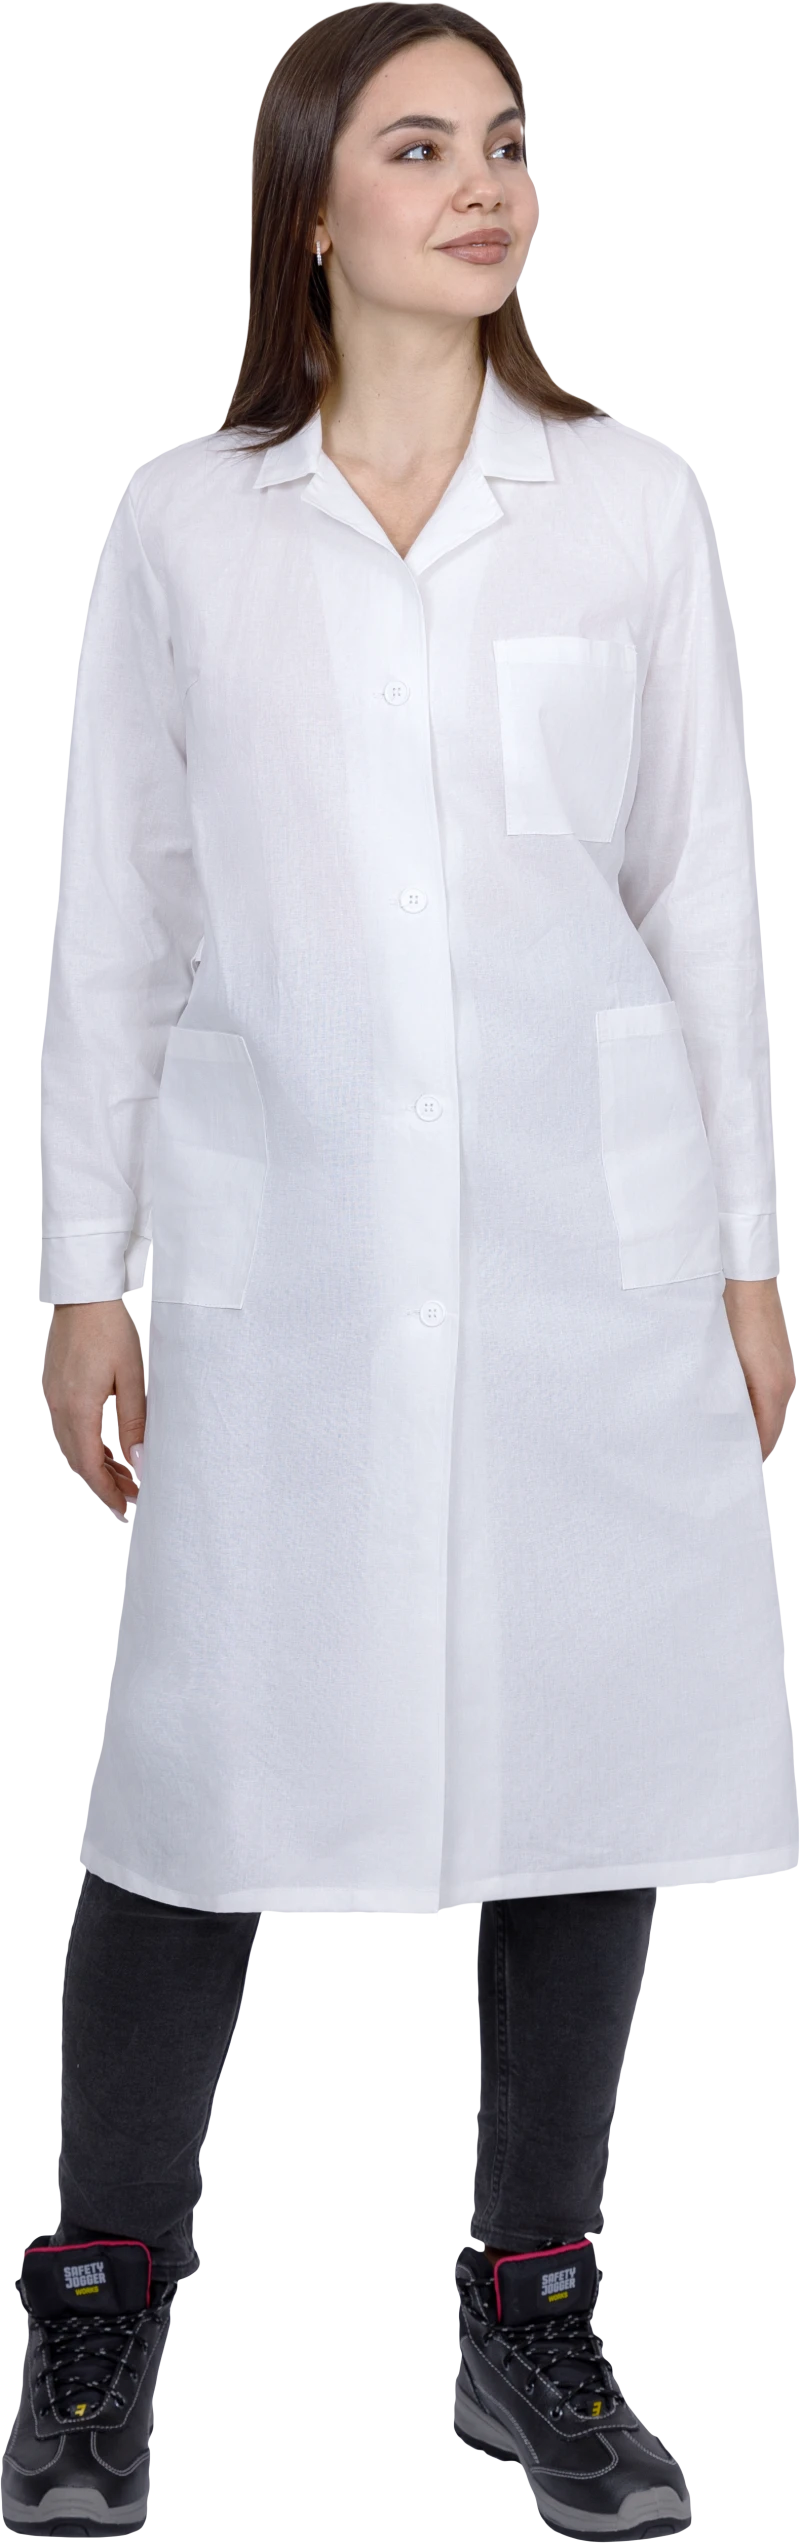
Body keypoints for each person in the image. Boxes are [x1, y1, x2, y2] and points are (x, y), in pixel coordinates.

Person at [7, 2, 797, 2532]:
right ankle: (100, 2305)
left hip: (587, 1243)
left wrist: (743, 1261)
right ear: (309, 204)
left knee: (583, 1750)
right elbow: (119, 917)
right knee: (199, 1775)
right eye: (421, 146)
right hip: (288, 1249)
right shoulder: (189, 521)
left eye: (510, 144)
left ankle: (531, 2305)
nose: (486, 187)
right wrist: (89, 1272)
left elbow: (699, 898)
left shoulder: (629, 499)